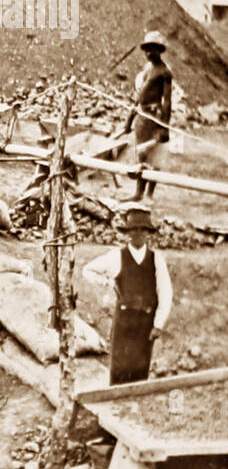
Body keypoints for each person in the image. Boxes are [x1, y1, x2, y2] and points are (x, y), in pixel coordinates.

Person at [82, 205, 172, 385]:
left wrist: (158, 325)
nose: (138, 234)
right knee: (119, 369)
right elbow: (88, 270)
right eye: (133, 230)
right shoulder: (116, 256)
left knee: (140, 370)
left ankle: (135, 409)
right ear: (127, 233)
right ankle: (116, 409)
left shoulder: (156, 260)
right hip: (124, 322)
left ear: (148, 233)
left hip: (146, 324)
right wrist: (108, 283)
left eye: (142, 230)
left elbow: (166, 293)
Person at [120, 30, 174, 201]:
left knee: (154, 156)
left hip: (154, 116)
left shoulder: (164, 72)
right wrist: (129, 119)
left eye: (154, 49)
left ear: (160, 50)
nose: (150, 53)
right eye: (147, 49)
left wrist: (165, 127)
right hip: (142, 116)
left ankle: (149, 193)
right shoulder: (147, 69)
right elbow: (140, 96)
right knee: (141, 155)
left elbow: (167, 101)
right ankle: (138, 192)